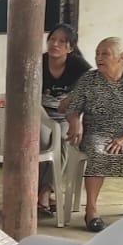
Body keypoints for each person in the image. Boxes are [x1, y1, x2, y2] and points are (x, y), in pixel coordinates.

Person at [64, 36, 123, 233]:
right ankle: (91, 211)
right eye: (97, 53)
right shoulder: (88, 80)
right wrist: (75, 122)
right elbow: (73, 108)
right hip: (97, 131)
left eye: (105, 54)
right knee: (98, 152)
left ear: (122, 57)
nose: (99, 58)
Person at [38, 23, 90, 217]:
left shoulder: (78, 65)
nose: (55, 44)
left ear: (70, 47)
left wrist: (75, 114)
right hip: (41, 114)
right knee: (43, 141)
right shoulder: (39, 62)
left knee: (64, 140)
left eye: (62, 41)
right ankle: (40, 191)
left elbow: (90, 88)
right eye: (52, 39)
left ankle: (45, 191)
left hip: (66, 115)